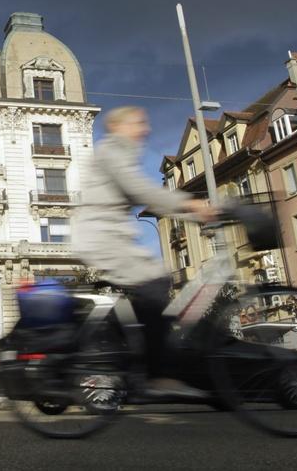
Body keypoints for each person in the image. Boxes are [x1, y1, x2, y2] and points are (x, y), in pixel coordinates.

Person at [74, 106, 217, 395]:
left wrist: (191, 211)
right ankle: (157, 375)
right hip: (102, 238)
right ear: (118, 126)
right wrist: (193, 205)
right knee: (156, 284)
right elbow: (140, 189)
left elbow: (143, 193)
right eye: (139, 122)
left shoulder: (119, 152)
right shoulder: (113, 150)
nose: (146, 129)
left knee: (147, 292)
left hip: (108, 238)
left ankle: (130, 354)